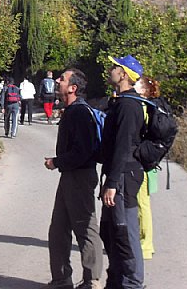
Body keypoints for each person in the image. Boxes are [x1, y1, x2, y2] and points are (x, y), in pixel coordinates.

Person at [44, 69, 103, 289]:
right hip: (70, 176)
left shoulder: (80, 113)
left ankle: (92, 281)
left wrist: (56, 162)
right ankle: (61, 279)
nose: (57, 81)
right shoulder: (71, 111)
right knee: (58, 229)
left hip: (80, 176)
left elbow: (83, 152)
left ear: (73, 88)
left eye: (62, 79)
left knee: (85, 228)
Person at [99, 55, 146, 289]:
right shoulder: (120, 102)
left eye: (115, 67)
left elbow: (124, 147)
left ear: (124, 74)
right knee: (110, 231)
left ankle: (133, 283)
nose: (111, 69)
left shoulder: (129, 106)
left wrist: (113, 183)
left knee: (124, 231)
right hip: (119, 174)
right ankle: (116, 280)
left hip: (125, 176)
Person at [133, 75, 160, 260]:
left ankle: (146, 245)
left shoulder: (142, 107)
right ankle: (144, 243)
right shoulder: (149, 107)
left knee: (142, 205)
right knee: (143, 204)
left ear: (144, 91)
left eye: (137, 84)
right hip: (148, 161)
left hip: (142, 162)